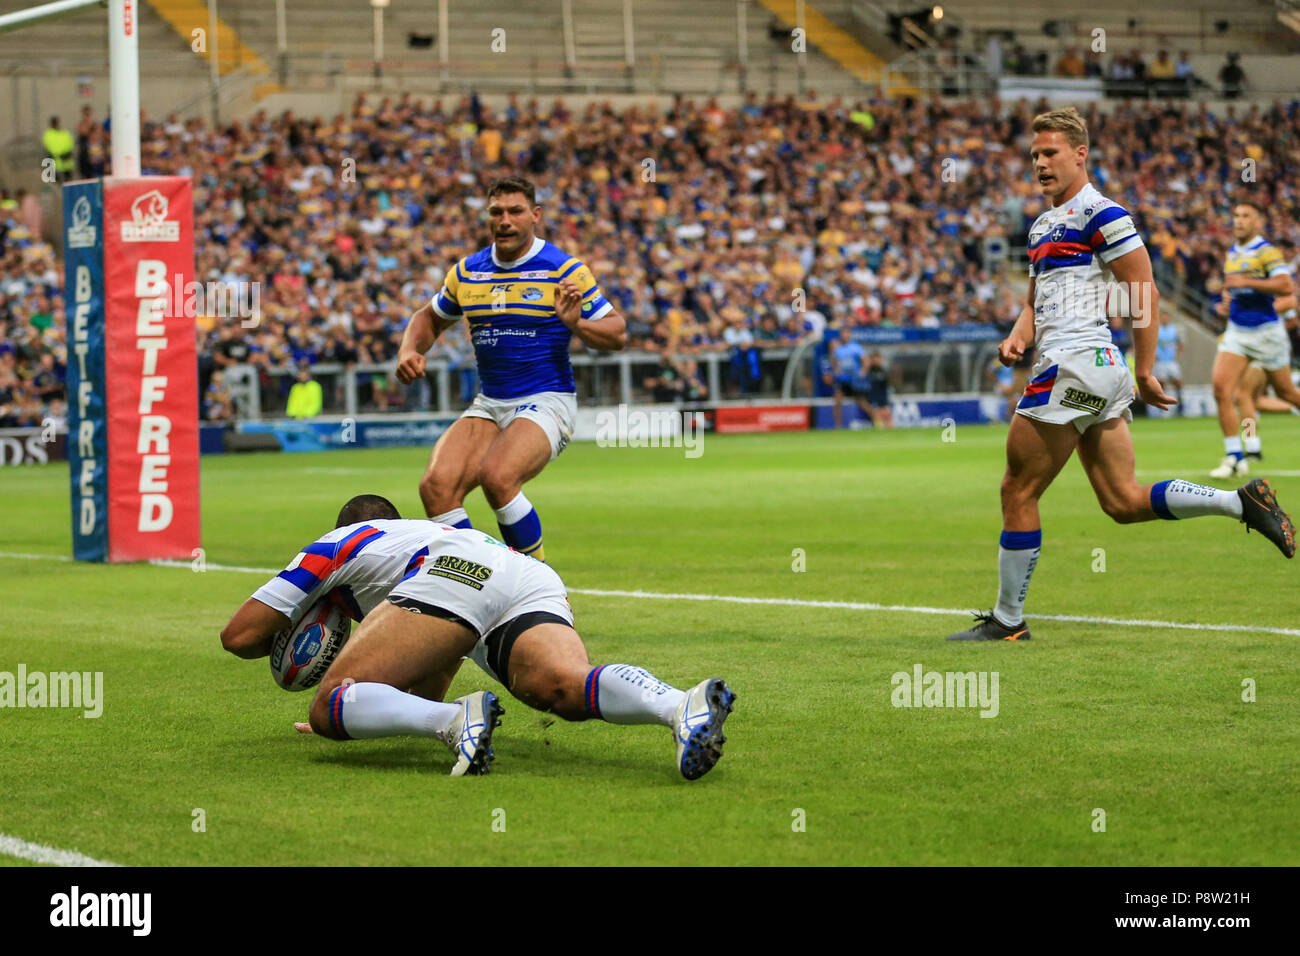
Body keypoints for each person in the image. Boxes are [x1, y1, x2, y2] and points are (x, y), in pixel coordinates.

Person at [946, 108, 1295, 643]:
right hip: (1092, 374)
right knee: (1122, 501)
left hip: (1076, 367)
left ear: (1080, 155)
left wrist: (1148, 368)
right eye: (1035, 154)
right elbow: (1036, 301)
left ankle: (1008, 622)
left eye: (1051, 153)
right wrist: (1021, 335)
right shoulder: (1042, 225)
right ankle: (1239, 501)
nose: (1040, 163)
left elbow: (1144, 291)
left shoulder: (1102, 214)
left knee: (1017, 489)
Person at [219, 495, 735, 779]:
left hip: (455, 574)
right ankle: (677, 706)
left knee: (327, 707)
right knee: (561, 688)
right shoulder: (425, 539)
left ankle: (458, 722)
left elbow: (239, 636)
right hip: (521, 571)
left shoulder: (341, 541)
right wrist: (374, 705)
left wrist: (317, 625)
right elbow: (429, 675)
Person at [395, 177, 627, 561]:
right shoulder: (467, 272)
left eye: (515, 211)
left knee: (498, 476)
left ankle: (536, 588)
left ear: (535, 215)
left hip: (546, 399)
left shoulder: (563, 269)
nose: (504, 220)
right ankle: (482, 581)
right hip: (490, 402)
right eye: (496, 212)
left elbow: (617, 333)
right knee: (436, 487)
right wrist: (409, 350)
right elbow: (429, 317)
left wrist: (577, 325)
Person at [1209, 201, 1299, 478]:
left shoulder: (1266, 251)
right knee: (1222, 389)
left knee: (1286, 393)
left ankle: (1249, 446)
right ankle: (1235, 456)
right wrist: (1227, 302)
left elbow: (1286, 286)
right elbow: (1234, 290)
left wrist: (1245, 283)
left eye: (1246, 216)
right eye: (1235, 215)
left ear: (1258, 221)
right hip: (1237, 332)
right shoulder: (1233, 253)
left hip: (1267, 334)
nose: (1238, 220)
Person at [861, 351, 894, 429]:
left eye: (879, 359)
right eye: (875, 359)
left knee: (887, 414)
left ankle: (891, 430)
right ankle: (880, 429)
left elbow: (886, 386)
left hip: (882, 398)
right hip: (872, 398)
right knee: (876, 415)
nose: (877, 361)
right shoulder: (868, 371)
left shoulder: (883, 371)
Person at [41, 117, 74, 182]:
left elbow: (70, 144)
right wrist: (59, 154)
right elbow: (48, 147)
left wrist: (67, 153)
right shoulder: (48, 134)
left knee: (68, 182)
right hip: (54, 164)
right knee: (56, 183)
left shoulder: (65, 133)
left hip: (66, 163)